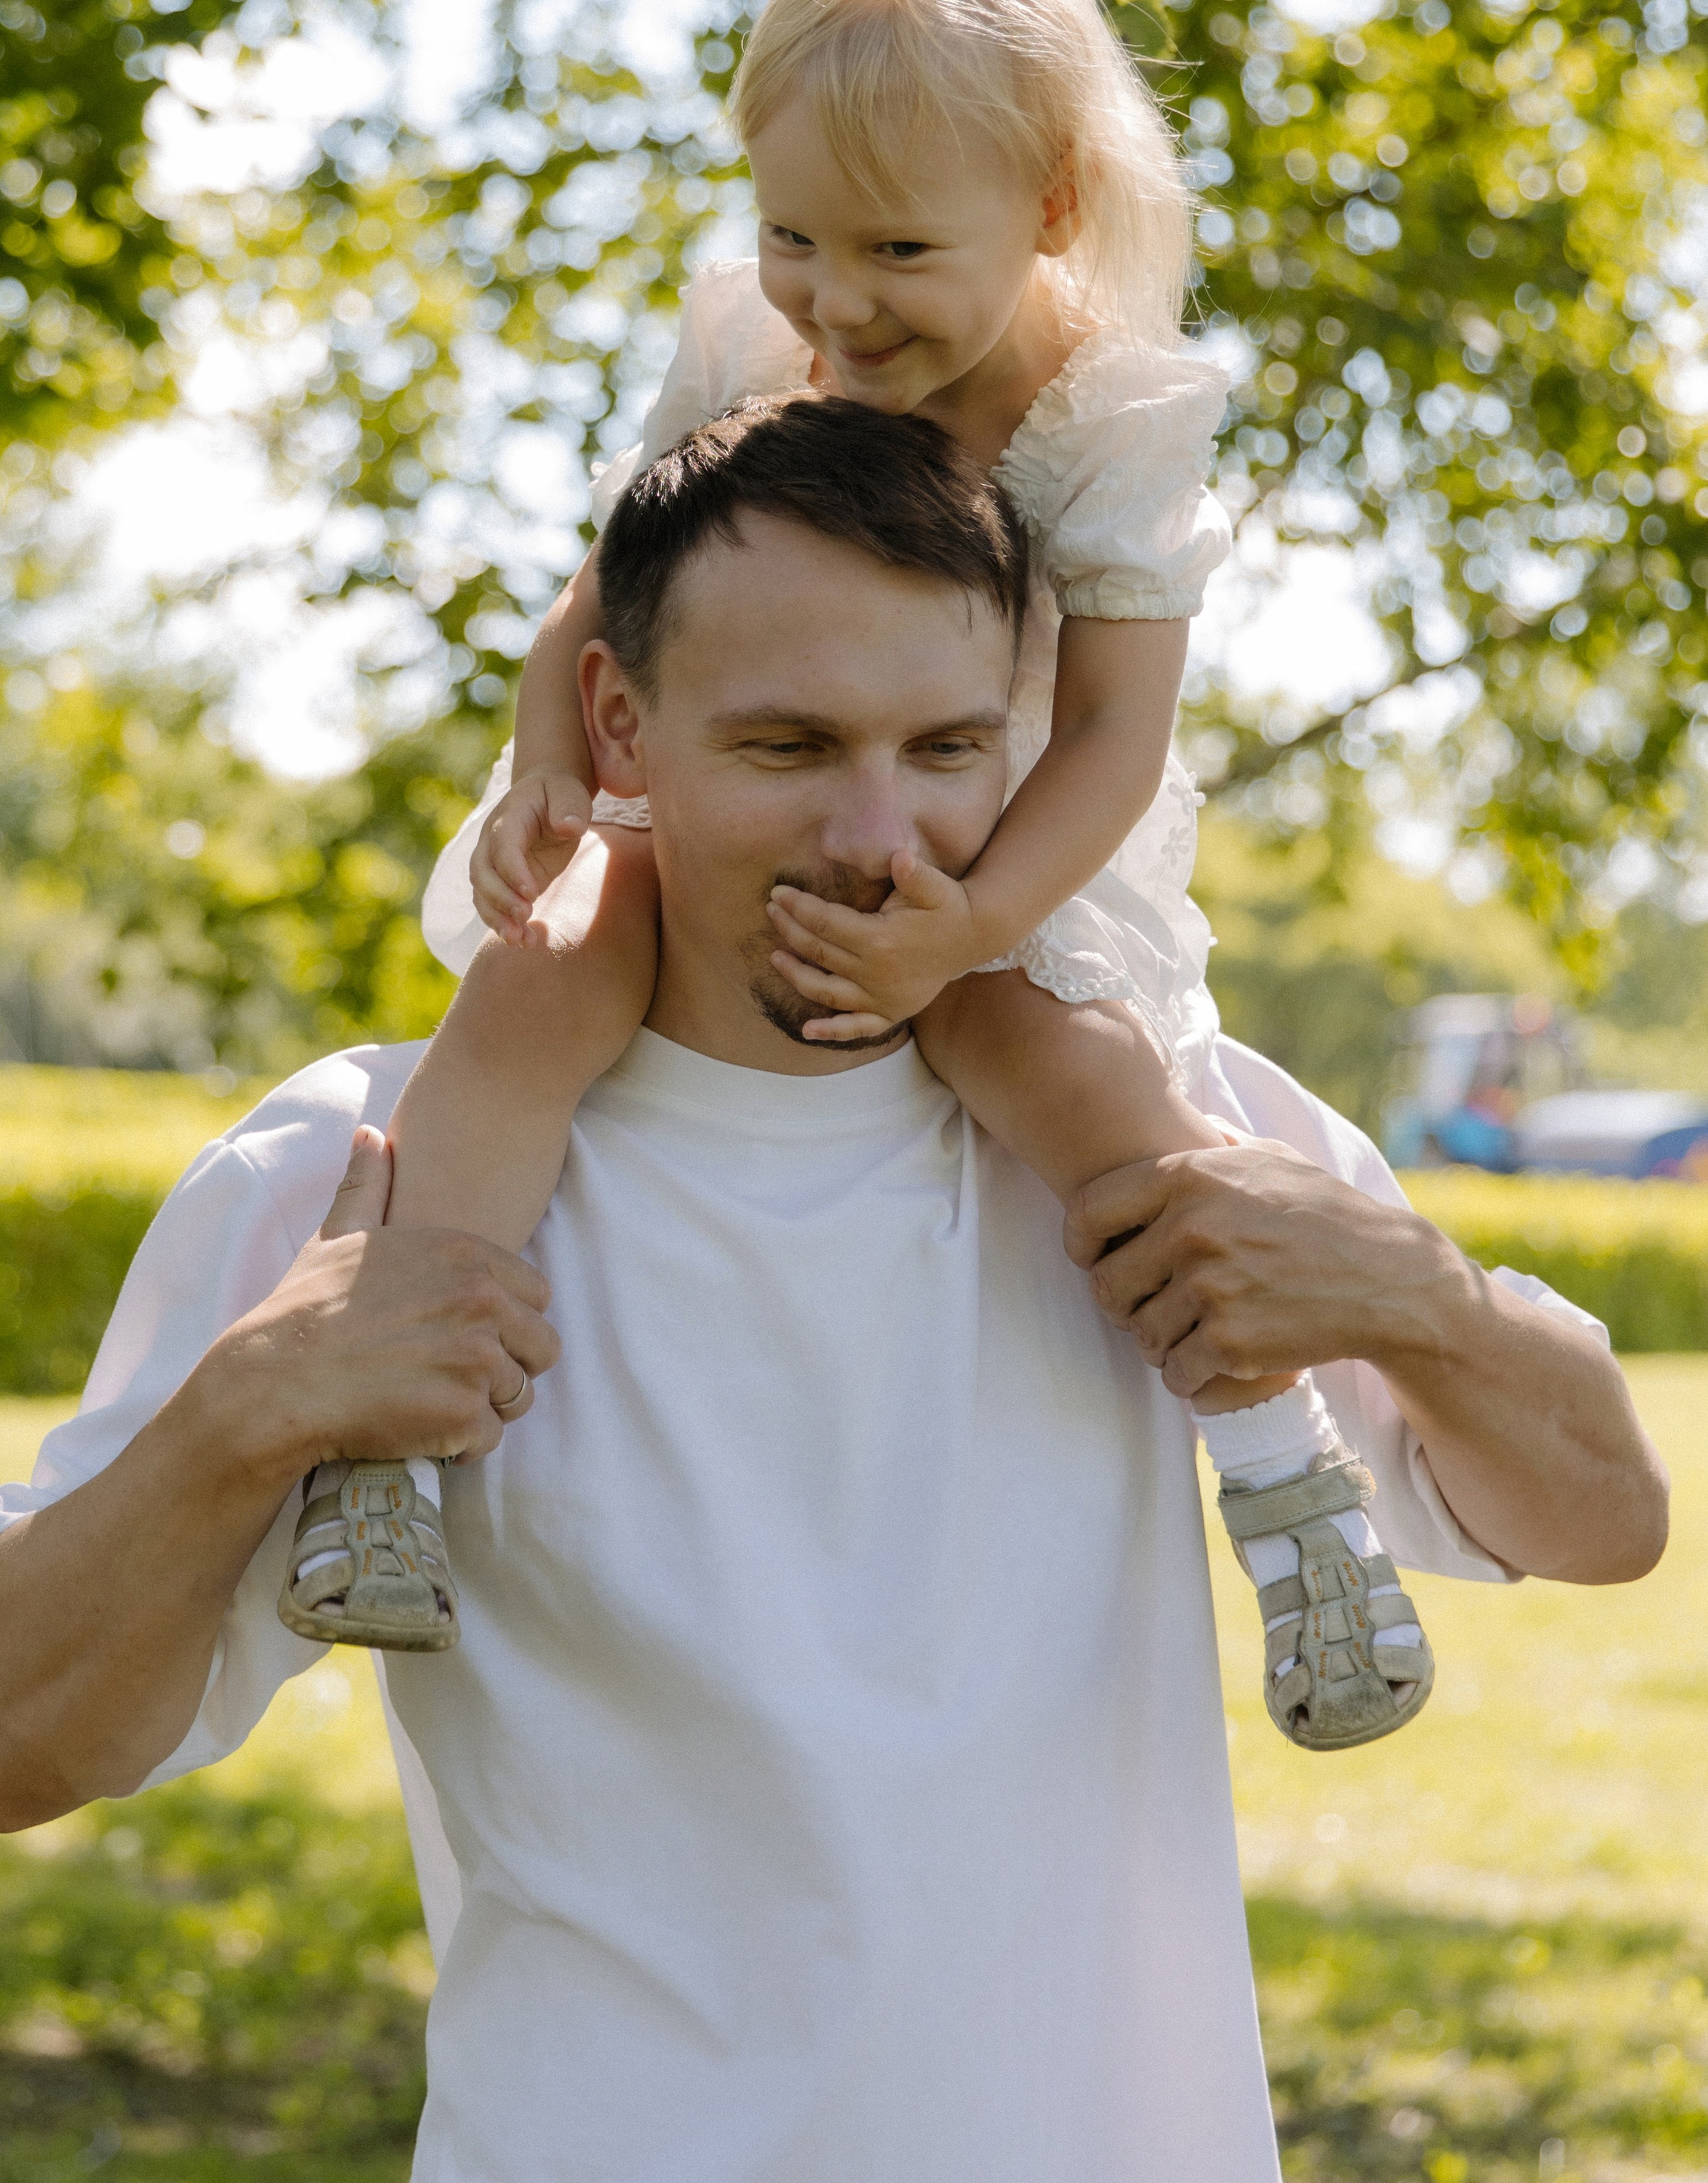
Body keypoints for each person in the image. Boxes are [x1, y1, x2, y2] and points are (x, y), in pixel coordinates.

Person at [0, 402, 1668, 2183]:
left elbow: (1604, 1520)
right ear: (619, 729)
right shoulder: (375, 1176)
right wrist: (247, 1407)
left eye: (948, 747)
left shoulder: (1168, 1132)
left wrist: (1419, 1294)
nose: (885, 836)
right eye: (790, 745)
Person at [324, 0, 1426, 1745]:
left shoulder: (1108, 418)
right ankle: (388, 1435)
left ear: (1056, 206)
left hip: (994, 832)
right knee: (533, 988)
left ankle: (1286, 1477)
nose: (837, 302)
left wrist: (969, 923)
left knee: (1088, 1094)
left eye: (900, 250)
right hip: (746, 793)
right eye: (793, 236)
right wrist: (543, 762)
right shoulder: (768, 330)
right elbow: (613, 588)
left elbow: (1112, 739)